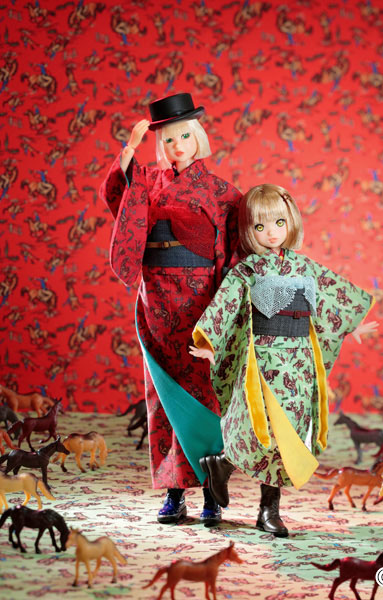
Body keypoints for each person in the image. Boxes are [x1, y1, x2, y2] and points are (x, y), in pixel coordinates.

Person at [189, 184, 378, 536]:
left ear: (291, 221)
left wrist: (350, 325)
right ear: (249, 231)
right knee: (258, 428)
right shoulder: (247, 271)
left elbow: (330, 300)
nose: (271, 232)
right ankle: (224, 464)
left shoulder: (305, 267)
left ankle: (267, 507)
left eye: (279, 222)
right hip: (263, 360)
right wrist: (210, 342)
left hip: (300, 362)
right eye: (260, 226)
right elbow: (225, 305)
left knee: (288, 434)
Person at [100, 93, 241, 527]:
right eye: (168, 139)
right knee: (162, 400)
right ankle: (174, 492)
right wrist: (130, 149)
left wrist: (226, 313)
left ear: (198, 136)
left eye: (184, 136)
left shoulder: (221, 192)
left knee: (205, 395)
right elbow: (119, 199)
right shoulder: (147, 180)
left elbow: (234, 252)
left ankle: (213, 492)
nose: (178, 146)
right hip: (157, 300)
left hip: (201, 304)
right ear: (159, 144)